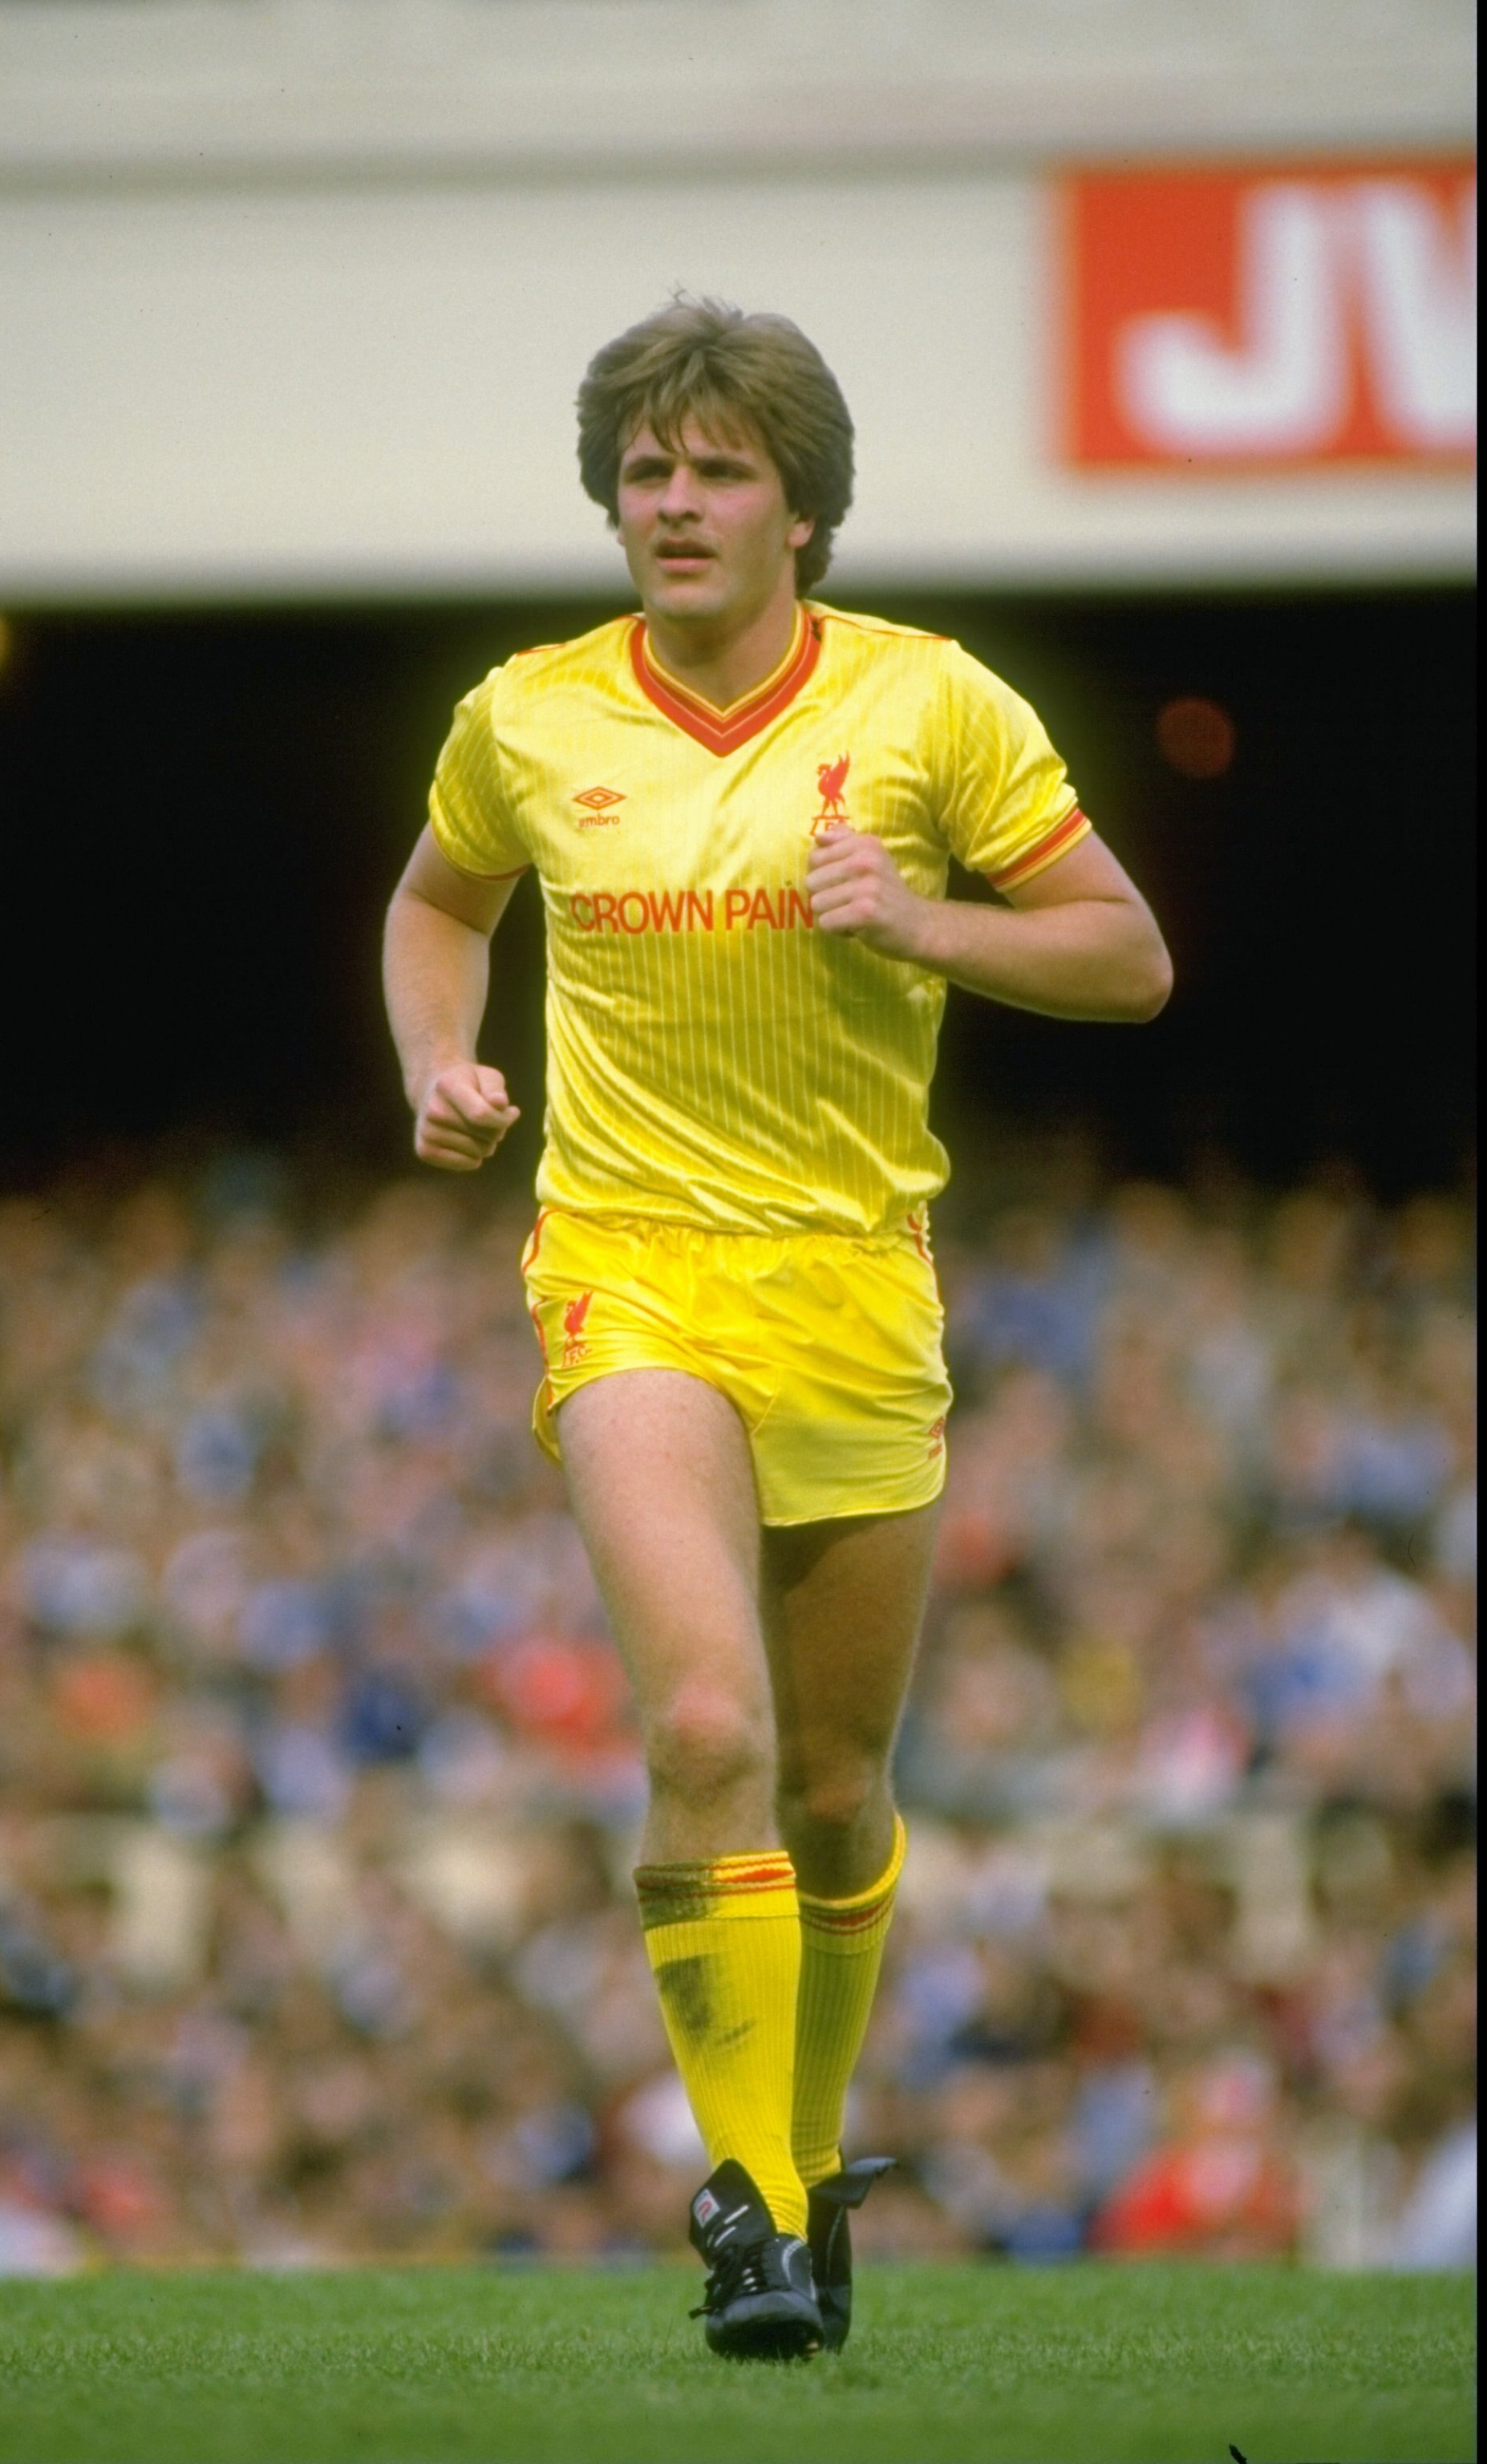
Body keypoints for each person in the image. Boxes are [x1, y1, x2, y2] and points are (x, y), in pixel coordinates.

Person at [383, 298, 1171, 2357]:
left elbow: (1126, 956)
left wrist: (921, 920)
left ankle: (812, 2165)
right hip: (626, 1265)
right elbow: (436, 902)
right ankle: (742, 2213)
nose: (676, 501)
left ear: (801, 509)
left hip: (855, 1289)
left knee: (830, 1786)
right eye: (647, 469)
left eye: (719, 468)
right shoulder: (529, 717)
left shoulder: (932, 708)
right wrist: (438, 1064)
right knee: (706, 1731)